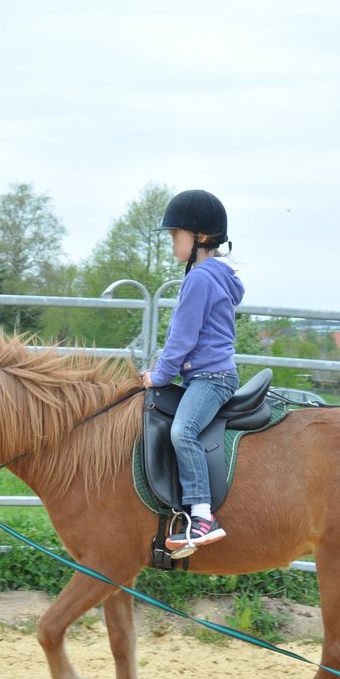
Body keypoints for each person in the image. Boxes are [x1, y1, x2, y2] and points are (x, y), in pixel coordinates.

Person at [140, 189, 244, 550]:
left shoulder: (200, 279)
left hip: (212, 378)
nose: (173, 243)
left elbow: (183, 337)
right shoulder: (213, 275)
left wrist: (159, 375)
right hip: (207, 374)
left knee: (183, 431)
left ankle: (202, 516)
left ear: (199, 236)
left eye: (176, 235)